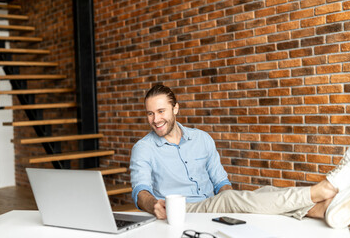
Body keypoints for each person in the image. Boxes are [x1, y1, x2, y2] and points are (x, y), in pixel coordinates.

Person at [130, 84, 350, 229]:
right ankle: (323, 189)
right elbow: (140, 190)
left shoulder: (202, 139)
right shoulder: (144, 148)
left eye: (161, 111)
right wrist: (152, 205)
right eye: (150, 113)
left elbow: (221, 181)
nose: (155, 119)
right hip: (182, 210)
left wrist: (232, 207)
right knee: (232, 199)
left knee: (263, 193)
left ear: (175, 109)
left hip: (212, 205)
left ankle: (325, 209)